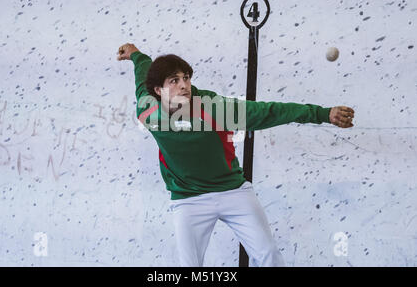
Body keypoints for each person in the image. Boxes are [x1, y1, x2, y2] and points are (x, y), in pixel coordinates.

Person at [117, 43, 355, 267]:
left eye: (186, 78)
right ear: (158, 91)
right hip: (188, 199)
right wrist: (135, 54)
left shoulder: (215, 108)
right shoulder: (148, 111)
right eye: (174, 80)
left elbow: (271, 112)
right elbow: (143, 74)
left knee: (269, 255)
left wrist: (323, 114)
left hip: (233, 192)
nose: (184, 85)